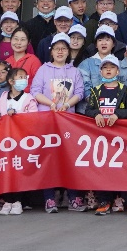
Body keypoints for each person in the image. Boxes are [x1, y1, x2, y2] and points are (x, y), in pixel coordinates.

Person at [32, 33, 85, 213]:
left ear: (68, 51)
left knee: (69, 159)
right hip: (47, 119)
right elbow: (35, 91)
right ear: (51, 51)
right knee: (48, 160)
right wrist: (51, 104)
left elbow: (80, 92)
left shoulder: (74, 71)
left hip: (68, 120)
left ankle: (74, 197)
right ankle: (49, 198)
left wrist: (67, 105)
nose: (60, 52)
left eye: (63, 49)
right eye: (57, 49)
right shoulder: (43, 69)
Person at [83, 55, 127, 215]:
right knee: (103, 169)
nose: (108, 70)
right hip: (101, 138)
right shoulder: (96, 91)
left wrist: (117, 114)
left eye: (112, 67)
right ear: (101, 71)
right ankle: (104, 200)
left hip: (121, 138)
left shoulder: (124, 89)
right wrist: (96, 114)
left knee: (125, 168)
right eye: (105, 67)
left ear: (117, 71)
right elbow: (88, 110)